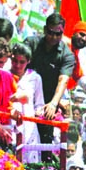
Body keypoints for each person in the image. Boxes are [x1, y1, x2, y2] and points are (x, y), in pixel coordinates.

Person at [25, 13, 75, 159]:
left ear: (62, 32)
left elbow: (63, 80)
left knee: (44, 145)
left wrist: (53, 103)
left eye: (58, 34)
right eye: (51, 33)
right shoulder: (31, 43)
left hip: (47, 103)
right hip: (25, 100)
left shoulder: (66, 55)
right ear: (45, 29)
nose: (54, 37)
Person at [10, 43, 45, 163]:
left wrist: (40, 111)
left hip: (28, 124)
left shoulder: (35, 78)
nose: (18, 65)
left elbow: (39, 103)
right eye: (15, 61)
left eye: (22, 62)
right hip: (9, 122)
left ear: (28, 61)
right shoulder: (4, 74)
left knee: (29, 161)